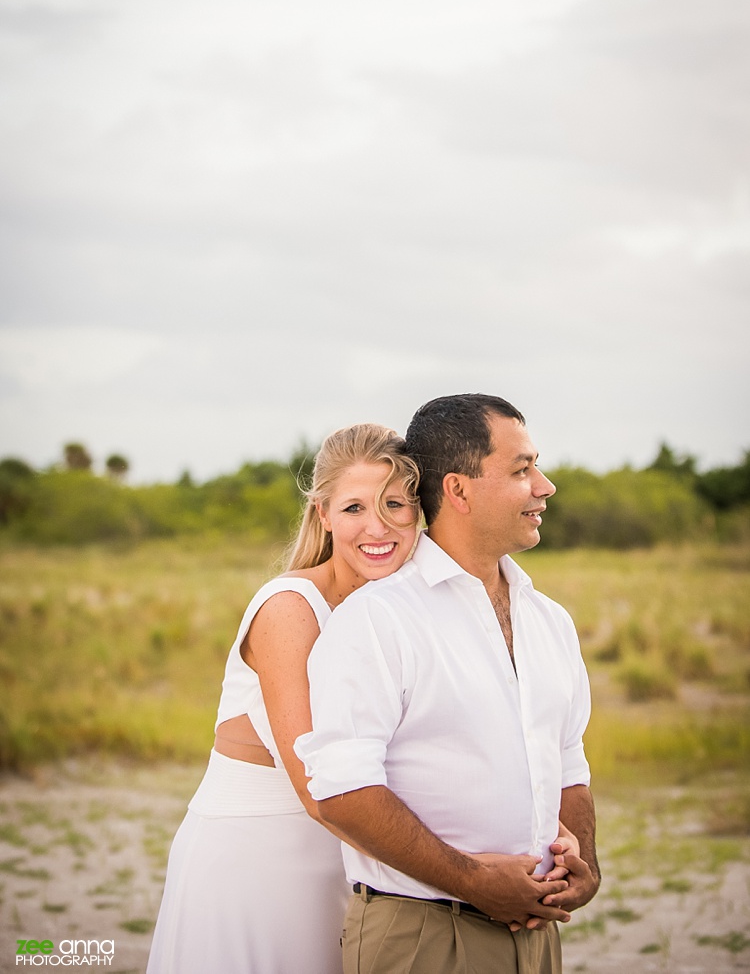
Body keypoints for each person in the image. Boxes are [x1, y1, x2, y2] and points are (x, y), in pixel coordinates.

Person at [295, 394, 601, 974]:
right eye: (521, 470)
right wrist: (477, 882)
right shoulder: (378, 618)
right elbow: (342, 791)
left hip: (537, 938)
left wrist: (585, 863)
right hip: (423, 935)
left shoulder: (550, 620)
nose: (545, 486)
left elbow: (569, 760)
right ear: (458, 491)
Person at [146, 424, 421, 974]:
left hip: (348, 862)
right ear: (323, 514)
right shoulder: (289, 609)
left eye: (395, 504)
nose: (378, 527)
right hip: (256, 864)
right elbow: (317, 785)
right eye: (353, 509)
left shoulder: (399, 614)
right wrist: (461, 878)